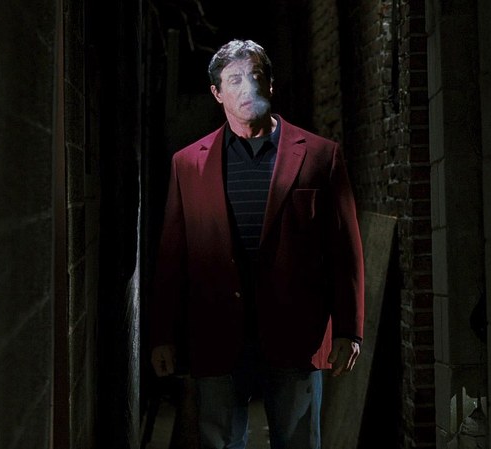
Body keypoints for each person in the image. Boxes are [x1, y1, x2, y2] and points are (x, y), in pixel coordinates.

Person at [149, 39, 365, 449]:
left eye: (255, 76)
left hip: (296, 333)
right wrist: (163, 334)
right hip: (216, 332)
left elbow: (345, 250)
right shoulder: (188, 163)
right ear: (217, 93)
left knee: (298, 442)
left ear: (270, 85)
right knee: (219, 443)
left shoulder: (320, 156)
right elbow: (172, 256)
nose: (246, 87)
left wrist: (349, 330)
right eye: (234, 80)